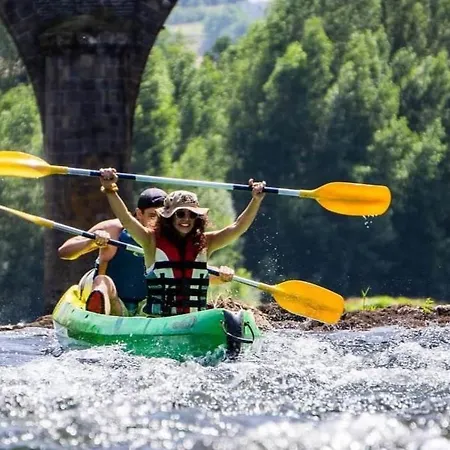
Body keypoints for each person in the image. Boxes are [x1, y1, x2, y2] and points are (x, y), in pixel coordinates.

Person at [92, 168, 266, 317]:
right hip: (159, 321)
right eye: (180, 214)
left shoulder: (207, 242)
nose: (186, 219)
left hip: (194, 320)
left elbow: (238, 227)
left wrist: (256, 200)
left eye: (192, 214)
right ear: (168, 217)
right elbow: (127, 220)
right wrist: (110, 189)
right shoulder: (150, 240)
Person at [58, 187, 235, 316]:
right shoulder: (114, 229)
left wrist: (220, 276)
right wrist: (92, 242)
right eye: (152, 215)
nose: (157, 221)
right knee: (103, 281)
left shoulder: (173, 241)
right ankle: (97, 317)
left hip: (147, 305)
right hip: (111, 297)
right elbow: (64, 252)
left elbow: (185, 274)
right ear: (138, 214)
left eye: (163, 215)